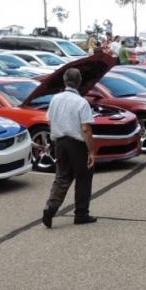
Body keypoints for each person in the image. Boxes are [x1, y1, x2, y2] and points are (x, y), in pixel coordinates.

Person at [41, 67, 100, 226]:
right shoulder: (81, 102)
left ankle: (50, 208)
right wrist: (91, 152)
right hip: (77, 144)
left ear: (64, 81)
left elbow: (49, 120)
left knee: (62, 177)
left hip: (60, 142)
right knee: (83, 177)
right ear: (79, 81)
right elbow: (86, 128)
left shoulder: (55, 99)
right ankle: (81, 214)